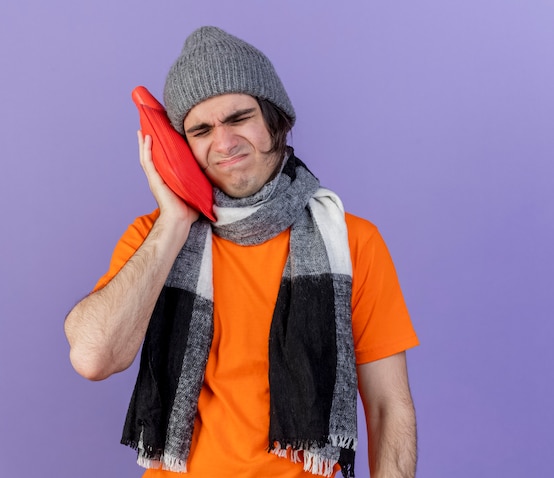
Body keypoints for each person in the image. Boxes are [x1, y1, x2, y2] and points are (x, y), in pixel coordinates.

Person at [65, 26, 419, 478]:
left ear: (275, 119)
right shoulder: (153, 241)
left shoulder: (352, 242)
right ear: (182, 146)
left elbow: (389, 407)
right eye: (201, 130)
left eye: (238, 118)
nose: (225, 143)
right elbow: (94, 358)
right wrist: (175, 221)